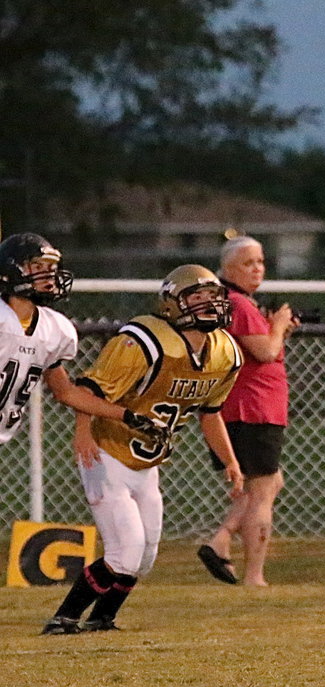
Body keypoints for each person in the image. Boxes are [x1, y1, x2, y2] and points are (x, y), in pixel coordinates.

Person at [42, 264, 244, 635]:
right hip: (108, 450)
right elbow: (89, 391)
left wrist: (229, 460)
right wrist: (82, 432)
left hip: (147, 462)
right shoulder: (144, 340)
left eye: (213, 297)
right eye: (196, 298)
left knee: (145, 556)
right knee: (126, 551)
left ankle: (102, 618)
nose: (209, 306)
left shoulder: (225, 352)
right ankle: (63, 618)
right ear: (172, 304)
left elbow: (210, 413)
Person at [197, 235, 296, 587]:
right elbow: (266, 351)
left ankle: (221, 539)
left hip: (245, 407)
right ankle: (254, 575)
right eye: (248, 263)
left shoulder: (235, 303)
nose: (257, 269)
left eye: (261, 262)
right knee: (262, 490)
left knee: (269, 483)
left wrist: (273, 327)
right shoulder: (236, 303)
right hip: (252, 407)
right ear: (226, 268)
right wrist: (279, 326)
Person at [0, 232, 141, 440]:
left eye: (50, 268)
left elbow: (65, 392)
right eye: (38, 267)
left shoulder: (51, 329)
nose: (48, 275)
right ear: (11, 269)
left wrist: (126, 415)